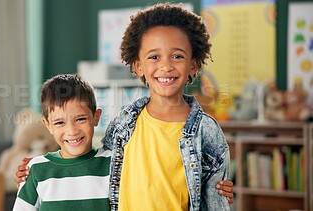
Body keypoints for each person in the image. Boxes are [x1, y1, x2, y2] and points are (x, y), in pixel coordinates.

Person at [16, 2, 234, 210]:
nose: (165, 66)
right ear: (138, 66)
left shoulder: (207, 131)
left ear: (193, 65)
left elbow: (214, 197)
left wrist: (221, 192)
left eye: (177, 56)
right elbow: (93, 163)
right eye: (154, 57)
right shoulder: (125, 120)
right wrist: (34, 171)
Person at [13, 74, 111, 210]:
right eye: (60, 122)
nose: (72, 131)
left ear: (96, 117)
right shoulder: (35, 170)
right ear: (48, 126)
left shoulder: (113, 164)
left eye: (80, 119)